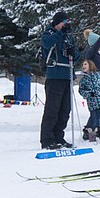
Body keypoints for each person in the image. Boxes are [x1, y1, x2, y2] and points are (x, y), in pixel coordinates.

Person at [39, 11, 79, 150]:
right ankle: (47, 139)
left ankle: (58, 136)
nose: (66, 25)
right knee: (52, 109)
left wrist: (74, 53)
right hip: (55, 75)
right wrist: (60, 33)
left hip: (67, 75)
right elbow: (46, 44)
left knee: (64, 109)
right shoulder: (50, 33)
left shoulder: (68, 37)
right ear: (57, 23)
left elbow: (77, 56)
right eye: (63, 22)